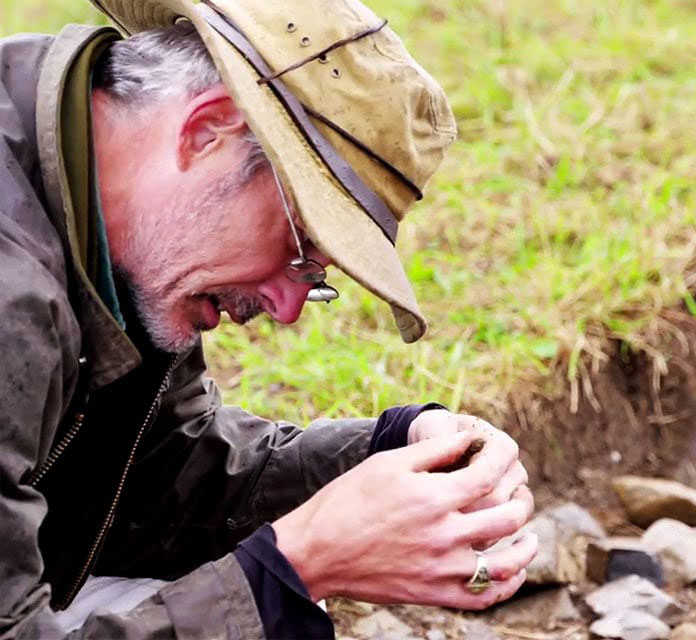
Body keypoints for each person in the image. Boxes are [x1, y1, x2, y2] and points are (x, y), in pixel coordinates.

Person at [0, 0, 537, 637]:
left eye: (315, 277)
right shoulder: (13, 288)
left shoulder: (120, 237)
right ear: (207, 132)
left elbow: (160, 481)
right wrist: (297, 562)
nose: (285, 311)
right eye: (298, 247)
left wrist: (384, 455)